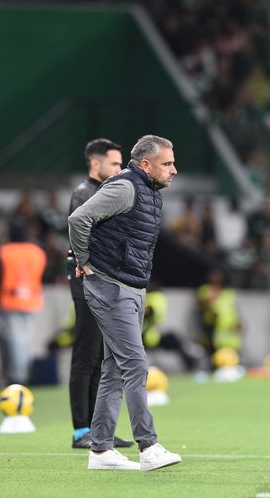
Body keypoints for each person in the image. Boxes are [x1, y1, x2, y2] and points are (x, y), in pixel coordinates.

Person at [68, 134, 182, 471]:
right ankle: (148, 446)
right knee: (135, 364)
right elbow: (78, 219)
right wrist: (85, 259)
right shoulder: (125, 187)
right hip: (110, 287)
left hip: (128, 287)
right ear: (146, 164)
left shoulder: (147, 192)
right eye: (167, 164)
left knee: (115, 369)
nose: (174, 170)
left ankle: (101, 450)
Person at [67, 138, 133, 449]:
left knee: (100, 360)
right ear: (96, 164)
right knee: (85, 357)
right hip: (87, 286)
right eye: (115, 164)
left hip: (103, 285)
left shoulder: (104, 192)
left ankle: (99, 430)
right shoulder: (85, 194)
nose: (120, 170)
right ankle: (81, 429)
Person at [0, 219, 47, 386]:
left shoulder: (4, 252)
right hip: (31, 300)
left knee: (14, 342)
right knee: (26, 341)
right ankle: (23, 375)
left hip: (10, 301)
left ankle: (17, 378)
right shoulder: (37, 252)